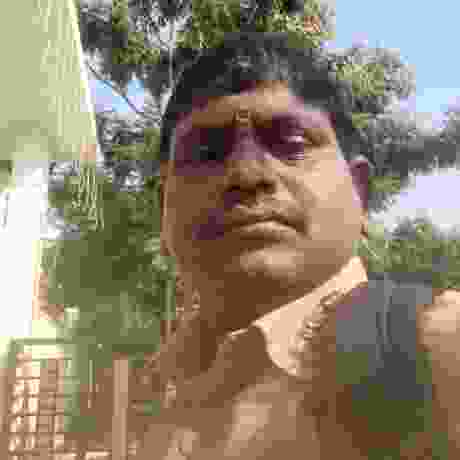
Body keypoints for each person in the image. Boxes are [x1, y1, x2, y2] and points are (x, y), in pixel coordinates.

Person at [137, 33, 460, 459]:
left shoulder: (439, 349)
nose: (247, 174)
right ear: (164, 205)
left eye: (291, 145)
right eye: (206, 153)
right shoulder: (159, 385)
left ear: (360, 191)